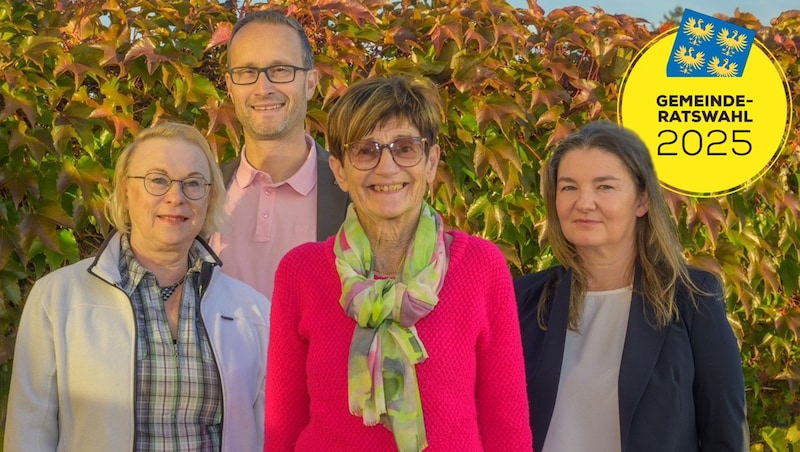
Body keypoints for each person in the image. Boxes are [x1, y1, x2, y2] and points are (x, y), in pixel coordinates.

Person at [264, 75, 533, 451]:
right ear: (339, 170)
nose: (387, 167)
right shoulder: (301, 272)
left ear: (431, 161)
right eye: (365, 150)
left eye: (405, 148)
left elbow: (508, 428)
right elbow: (282, 427)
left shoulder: (481, 267)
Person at [4, 122, 270, 451]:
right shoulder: (57, 300)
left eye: (193, 183)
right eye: (157, 180)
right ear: (126, 192)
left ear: (210, 197)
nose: (176, 197)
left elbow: (267, 436)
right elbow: (29, 433)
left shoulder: (253, 312)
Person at [515, 121, 748, 452]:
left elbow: (726, 437)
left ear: (641, 201)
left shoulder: (692, 299)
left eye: (604, 187)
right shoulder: (522, 299)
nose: (583, 202)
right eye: (568, 187)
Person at [209, 10, 348, 300]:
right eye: (247, 72)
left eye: (281, 70)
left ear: (310, 83)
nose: (264, 88)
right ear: (230, 87)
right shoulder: (203, 193)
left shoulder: (353, 193)